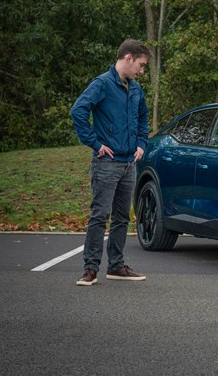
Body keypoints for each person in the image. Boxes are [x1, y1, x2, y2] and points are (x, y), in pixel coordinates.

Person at [71, 39, 151, 286]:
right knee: (99, 215)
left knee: (121, 218)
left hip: (129, 163)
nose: (142, 71)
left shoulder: (136, 89)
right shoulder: (102, 84)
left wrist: (141, 144)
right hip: (107, 163)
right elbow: (78, 111)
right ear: (128, 58)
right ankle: (90, 269)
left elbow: (143, 117)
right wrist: (95, 144)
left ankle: (116, 267)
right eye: (141, 65)